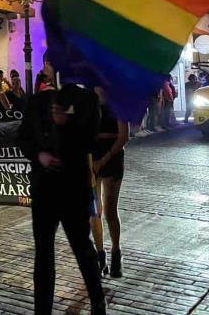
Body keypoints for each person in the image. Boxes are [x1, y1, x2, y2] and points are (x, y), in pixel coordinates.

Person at [17, 67, 106, 315]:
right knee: (43, 251)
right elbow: (23, 138)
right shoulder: (37, 101)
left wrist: (66, 125)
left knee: (81, 247)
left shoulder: (86, 99)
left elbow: (89, 141)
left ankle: (97, 300)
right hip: (44, 187)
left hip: (73, 187)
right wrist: (39, 155)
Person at [90, 87, 129, 278]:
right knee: (94, 211)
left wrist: (103, 158)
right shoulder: (88, 103)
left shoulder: (118, 103)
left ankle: (116, 251)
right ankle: (100, 255)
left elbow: (123, 136)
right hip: (91, 160)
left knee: (110, 210)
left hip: (111, 159)